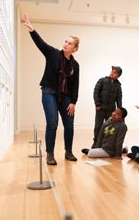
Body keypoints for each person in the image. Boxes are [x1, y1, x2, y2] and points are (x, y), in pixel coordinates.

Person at [23, 13, 80, 165]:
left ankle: (68, 151)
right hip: (49, 92)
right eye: (65, 41)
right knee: (52, 123)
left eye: (69, 43)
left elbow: (75, 86)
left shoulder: (75, 65)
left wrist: (73, 102)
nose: (66, 44)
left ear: (74, 48)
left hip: (66, 96)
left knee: (69, 124)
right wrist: (31, 29)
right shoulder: (53, 54)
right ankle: (50, 154)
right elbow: (40, 43)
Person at [92, 66, 123, 148]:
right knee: (98, 126)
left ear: (118, 76)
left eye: (115, 72)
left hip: (111, 111)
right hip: (100, 109)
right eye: (112, 71)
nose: (112, 73)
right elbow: (96, 92)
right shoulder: (102, 80)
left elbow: (119, 99)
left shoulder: (118, 86)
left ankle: (106, 144)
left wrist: (120, 112)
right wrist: (97, 104)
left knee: (109, 127)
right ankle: (95, 143)